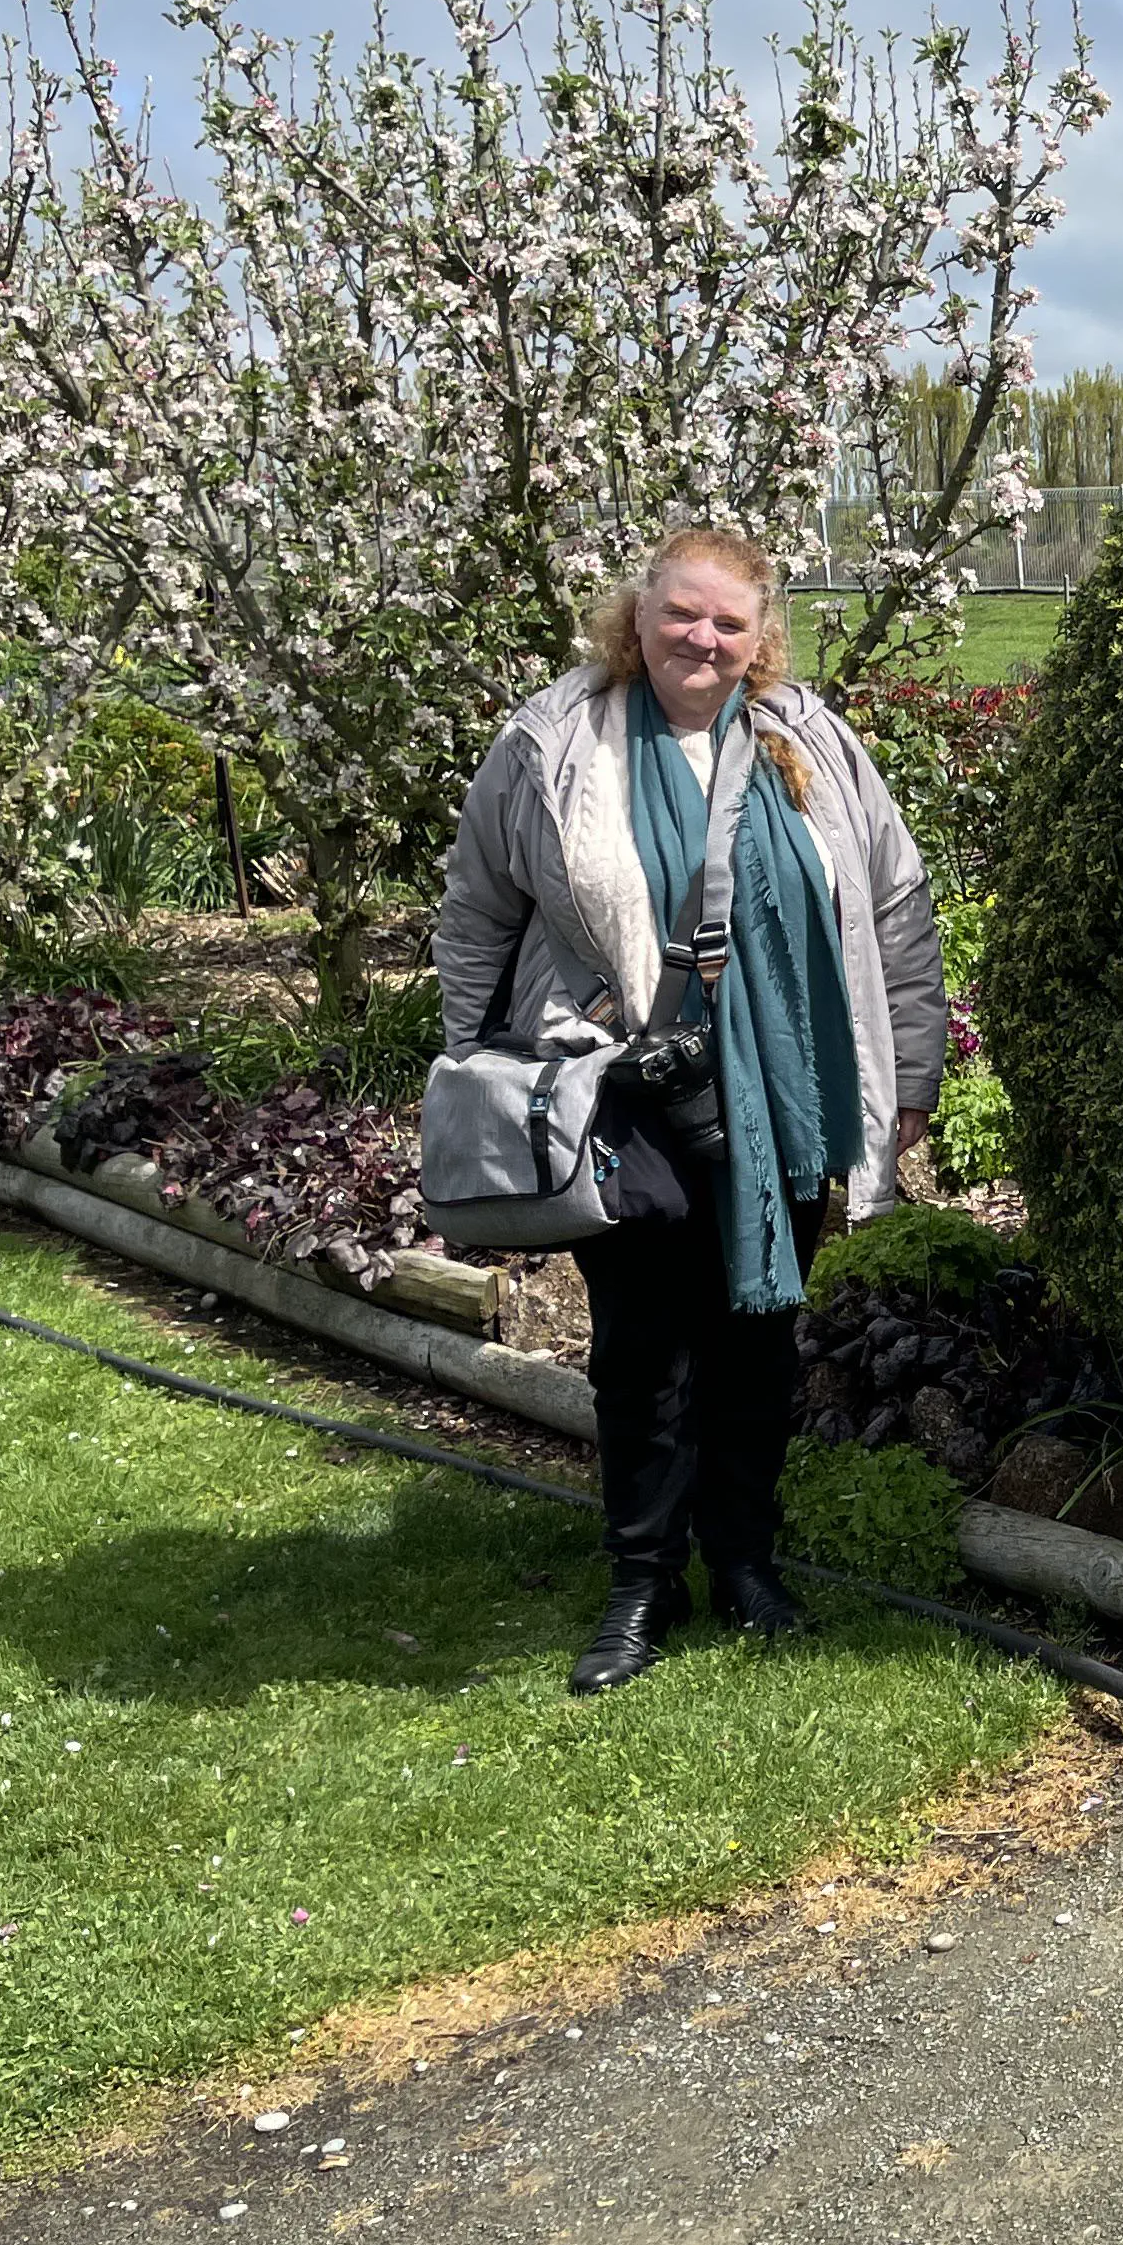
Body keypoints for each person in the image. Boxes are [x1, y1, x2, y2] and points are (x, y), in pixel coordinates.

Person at [434, 528, 946, 1693]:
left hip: (789, 1090)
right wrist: (482, 1065)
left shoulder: (810, 742)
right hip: (622, 1087)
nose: (701, 640)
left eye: (728, 622)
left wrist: (909, 1076)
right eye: (681, 615)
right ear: (637, 617)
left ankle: (748, 1565)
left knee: (758, 1342)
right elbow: (478, 914)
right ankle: (641, 1583)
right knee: (642, 1349)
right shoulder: (553, 743)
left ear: (761, 635)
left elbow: (896, 908)